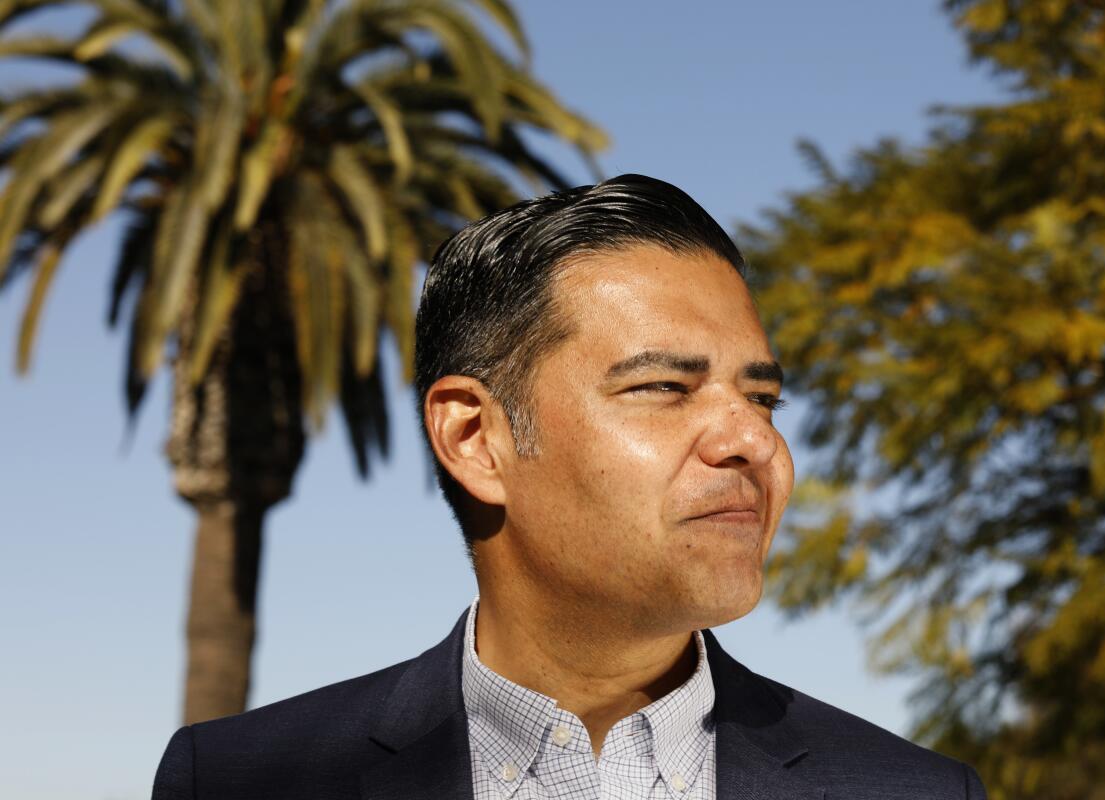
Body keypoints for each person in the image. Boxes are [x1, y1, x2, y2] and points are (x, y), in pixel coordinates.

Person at [151, 174, 987, 799]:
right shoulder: (233, 782)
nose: (754, 441)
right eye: (664, 387)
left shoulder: (913, 791)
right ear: (475, 438)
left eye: (762, 397)